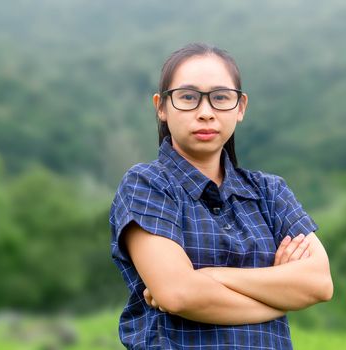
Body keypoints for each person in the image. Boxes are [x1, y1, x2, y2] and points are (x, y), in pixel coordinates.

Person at [109, 42, 333, 349]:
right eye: (188, 97)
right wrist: (280, 299)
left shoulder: (270, 192)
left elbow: (318, 283)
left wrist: (211, 276)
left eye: (220, 98)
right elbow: (178, 294)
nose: (205, 113)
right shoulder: (146, 185)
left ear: (240, 107)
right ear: (161, 106)